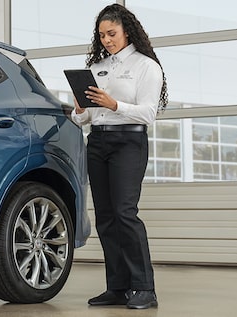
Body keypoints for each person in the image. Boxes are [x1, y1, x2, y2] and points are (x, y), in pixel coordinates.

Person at [70, 3, 167, 310]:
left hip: (129, 142)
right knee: (106, 218)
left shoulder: (146, 66)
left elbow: (149, 114)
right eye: (102, 35)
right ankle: (118, 287)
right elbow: (82, 120)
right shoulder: (98, 67)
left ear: (127, 31)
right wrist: (81, 110)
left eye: (111, 33)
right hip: (97, 143)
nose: (107, 40)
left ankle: (144, 288)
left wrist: (114, 105)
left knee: (125, 213)